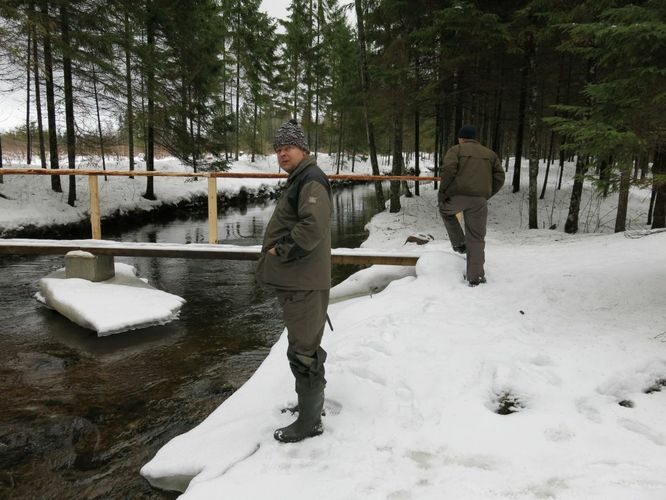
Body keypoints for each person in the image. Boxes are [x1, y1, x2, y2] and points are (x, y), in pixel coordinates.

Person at [255, 119, 332, 443]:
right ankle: (310, 407)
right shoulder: (300, 178)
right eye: (278, 149)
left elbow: (311, 228)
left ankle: (310, 422)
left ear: (304, 149)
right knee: (304, 345)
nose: (282, 153)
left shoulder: (310, 179)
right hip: (301, 281)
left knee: (302, 351)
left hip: (303, 282)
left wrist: (281, 250)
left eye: (288, 147)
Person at [438, 125, 505, 287]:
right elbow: (500, 177)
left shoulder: (456, 150)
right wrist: (486, 194)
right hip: (479, 201)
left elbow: (448, 170)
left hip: (457, 197)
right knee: (476, 238)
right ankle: (476, 278)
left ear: (461, 138)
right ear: (475, 138)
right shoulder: (490, 154)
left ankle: (459, 243)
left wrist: (443, 193)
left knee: (445, 211)